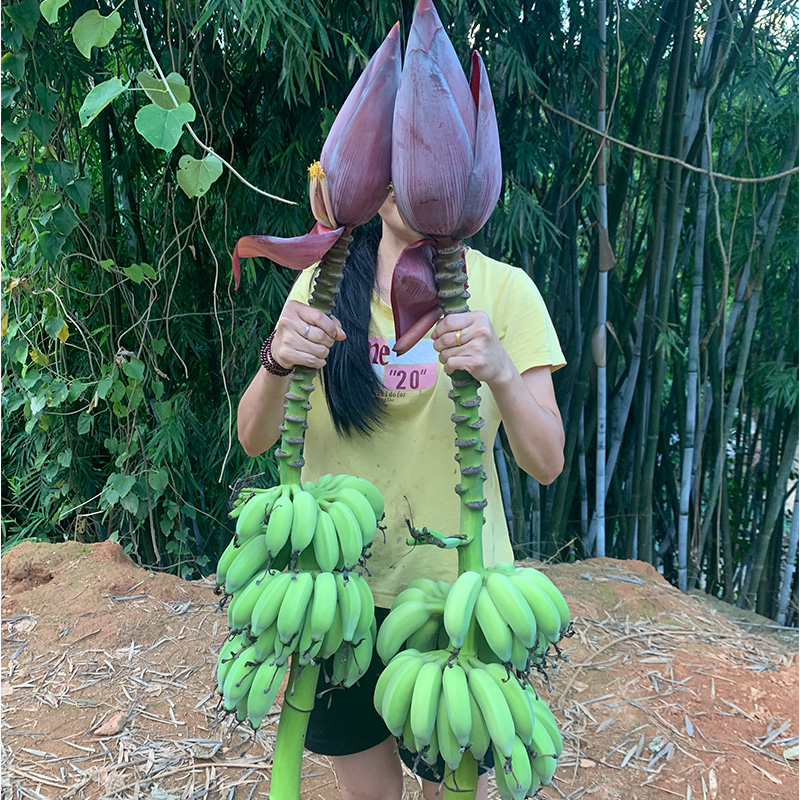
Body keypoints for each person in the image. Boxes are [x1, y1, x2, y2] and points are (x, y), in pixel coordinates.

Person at [237, 190, 566, 800]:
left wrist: (498, 370)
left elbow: (546, 461)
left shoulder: (505, 291)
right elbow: (254, 437)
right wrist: (276, 360)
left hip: (459, 596)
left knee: (454, 785)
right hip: (337, 590)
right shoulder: (323, 282)